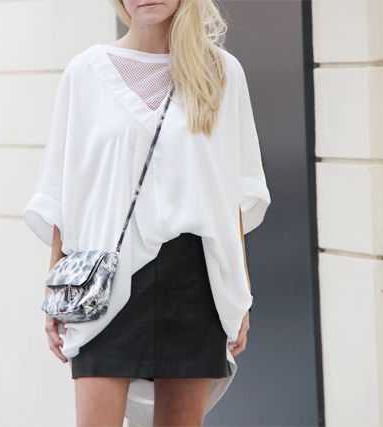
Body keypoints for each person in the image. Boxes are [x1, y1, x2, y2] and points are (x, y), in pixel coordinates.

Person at [22, 0, 272, 425]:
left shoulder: (222, 73)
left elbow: (230, 196)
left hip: (195, 282)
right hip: (104, 281)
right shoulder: (85, 73)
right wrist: (57, 291)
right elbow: (65, 192)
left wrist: (240, 293)